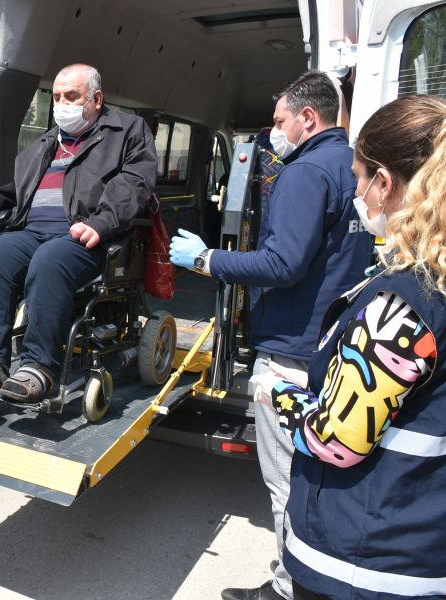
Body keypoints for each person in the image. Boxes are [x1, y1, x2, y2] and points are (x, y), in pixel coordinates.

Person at [169, 71, 374, 600]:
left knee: (287, 482)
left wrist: (208, 259)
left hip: (290, 350)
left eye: (280, 120)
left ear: (309, 117)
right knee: (317, 478)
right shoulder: (357, 169)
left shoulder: (304, 173)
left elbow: (282, 263)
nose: (273, 132)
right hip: (331, 343)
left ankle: (290, 589)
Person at [255, 95, 446, 600]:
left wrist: (281, 395)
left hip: (365, 560)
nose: (357, 192)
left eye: (360, 178)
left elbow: (333, 441)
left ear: (385, 183)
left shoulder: (406, 303)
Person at [0, 63, 156, 401]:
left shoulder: (126, 131)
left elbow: (135, 185)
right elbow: (25, 190)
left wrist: (100, 223)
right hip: (31, 232)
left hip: (83, 235)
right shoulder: (46, 142)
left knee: (50, 260)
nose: (62, 105)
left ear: (96, 99)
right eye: (56, 97)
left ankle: (39, 367)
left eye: (71, 96)